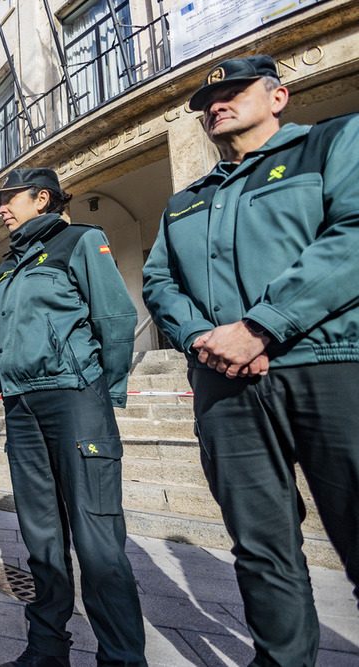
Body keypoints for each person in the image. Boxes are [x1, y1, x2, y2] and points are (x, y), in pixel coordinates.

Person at [142, 54, 359, 666]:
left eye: (235, 91)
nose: (217, 104)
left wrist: (262, 326)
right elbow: (159, 282)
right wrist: (203, 339)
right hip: (224, 384)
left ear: (279, 96)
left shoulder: (333, 143)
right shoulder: (184, 201)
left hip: (328, 365)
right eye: (207, 102)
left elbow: (353, 234)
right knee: (261, 546)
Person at [0, 168, 145, 666]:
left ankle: (121, 659)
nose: (1, 209)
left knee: (97, 541)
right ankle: (47, 649)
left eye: (9, 199)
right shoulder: (8, 263)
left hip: (74, 398)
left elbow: (116, 318)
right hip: (21, 405)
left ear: (42, 198)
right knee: (41, 539)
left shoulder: (81, 239)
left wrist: (102, 390)